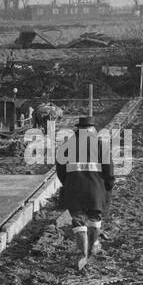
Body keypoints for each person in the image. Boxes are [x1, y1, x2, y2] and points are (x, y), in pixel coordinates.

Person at [55, 115, 116, 272]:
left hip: (74, 189)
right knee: (95, 218)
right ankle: (91, 250)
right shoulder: (101, 145)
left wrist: (67, 184)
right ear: (92, 129)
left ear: (78, 129)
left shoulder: (66, 146)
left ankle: (82, 253)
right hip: (96, 190)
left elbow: (60, 171)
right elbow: (109, 170)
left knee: (78, 219)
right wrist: (108, 185)